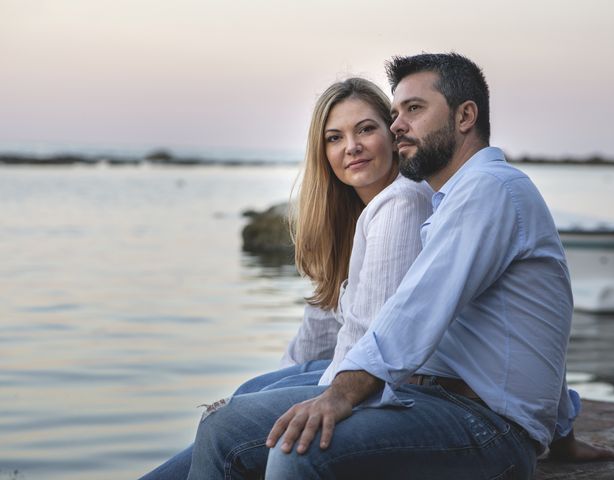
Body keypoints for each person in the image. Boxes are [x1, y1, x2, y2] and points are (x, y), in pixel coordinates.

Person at [185, 53, 614, 480]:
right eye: (395, 113)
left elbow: (414, 311)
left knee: (299, 452)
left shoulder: (488, 191)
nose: (397, 125)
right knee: (231, 423)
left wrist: (338, 396)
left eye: (413, 109)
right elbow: (537, 324)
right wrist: (562, 428)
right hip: (438, 404)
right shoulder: (452, 201)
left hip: (489, 430)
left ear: (464, 116)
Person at [139, 77, 434, 479]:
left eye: (365, 129)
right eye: (335, 137)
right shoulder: (354, 218)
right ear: (322, 151)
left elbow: (369, 341)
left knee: (229, 424)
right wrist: (275, 388)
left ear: (391, 133)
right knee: (244, 399)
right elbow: (318, 331)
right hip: (355, 375)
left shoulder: (401, 203)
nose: (351, 146)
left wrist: (308, 400)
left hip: (389, 389)